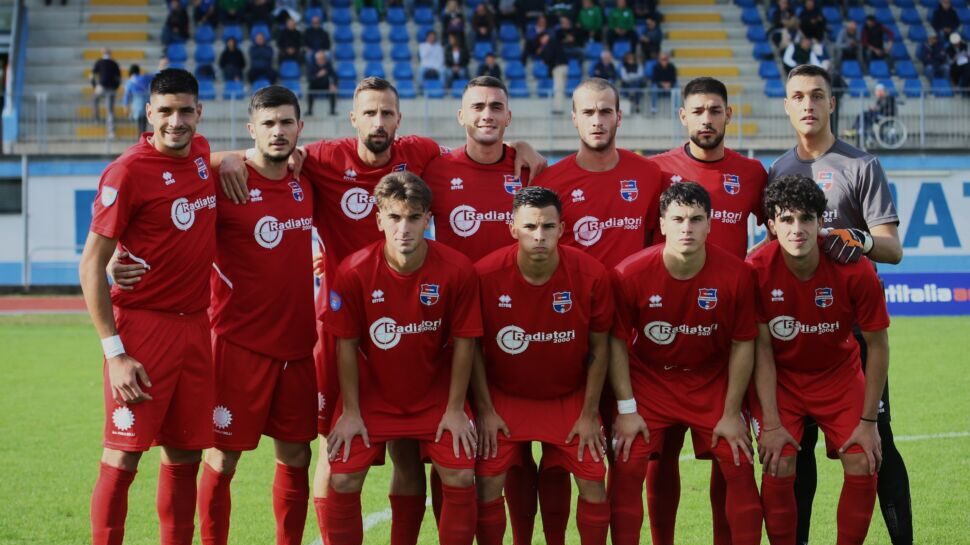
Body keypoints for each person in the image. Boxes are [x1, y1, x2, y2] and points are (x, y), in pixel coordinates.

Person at [215, 76, 546, 545]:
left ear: (399, 121)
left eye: (386, 113)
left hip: (414, 327)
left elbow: (482, 136)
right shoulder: (322, 159)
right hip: (344, 331)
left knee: (410, 454)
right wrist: (226, 156)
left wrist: (522, 145)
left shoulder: (422, 154)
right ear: (353, 119)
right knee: (334, 453)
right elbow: (248, 156)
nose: (378, 121)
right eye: (369, 113)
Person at [769, 63, 910, 545]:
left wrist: (860, 241)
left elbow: (892, 248)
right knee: (796, 447)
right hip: (796, 331)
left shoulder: (861, 165)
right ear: (787, 106)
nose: (808, 104)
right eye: (798, 96)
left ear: (832, 103)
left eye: (817, 95)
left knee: (877, 444)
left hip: (853, 328)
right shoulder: (778, 171)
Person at [80, 68, 214, 545]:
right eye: (165, 112)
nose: (175, 121)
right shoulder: (127, 171)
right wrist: (115, 353)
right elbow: (91, 264)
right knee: (123, 454)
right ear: (148, 113)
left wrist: (236, 161)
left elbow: (211, 166)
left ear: (200, 112)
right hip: (143, 331)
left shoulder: (201, 153)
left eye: (184, 111)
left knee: (184, 455)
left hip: (198, 328)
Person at [324, 172, 482, 545]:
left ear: (428, 219)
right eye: (394, 217)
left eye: (414, 218)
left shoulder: (457, 269)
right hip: (373, 394)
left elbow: (465, 342)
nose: (404, 228)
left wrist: (456, 408)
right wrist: (350, 410)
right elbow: (345, 344)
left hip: (436, 394)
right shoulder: (353, 271)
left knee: (460, 475)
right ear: (379, 219)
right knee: (343, 477)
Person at [647, 76, 769, 545]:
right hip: (663, 337)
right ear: (683, 116)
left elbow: (779, 232)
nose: (706, 119)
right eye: (697, 111)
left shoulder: (753, 173)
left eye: (715, 110)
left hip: (726, 339)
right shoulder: (656, 171)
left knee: (729, 449)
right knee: (659, 453)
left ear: (727, 116)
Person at [609, 181, 764, 545]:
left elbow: (744, 345)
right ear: (661, 224)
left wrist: (730, 413)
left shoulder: (736, 274)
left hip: (710, 381)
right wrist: (627, 410)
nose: (687, 228)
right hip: (649, 380)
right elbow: (615, 344)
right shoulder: (628, 274)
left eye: (696, 219)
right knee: (628, 465)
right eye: (677, 219)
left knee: (739, 462)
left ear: (710, 224)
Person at [195, 85, 315, 545]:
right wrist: (221, 159)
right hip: (237, 344)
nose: (278, 131)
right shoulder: (225, 179)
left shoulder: (308, 178)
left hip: (299, 346)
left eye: (286, 122)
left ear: (300, 128)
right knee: (222, 459)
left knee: (297, 456)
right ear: (252, 130)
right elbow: (166, 168)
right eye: (268, 123)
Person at [749, 174, 891, 545]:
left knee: (863, 458)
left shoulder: (855, 268)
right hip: (780, 379)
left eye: (806, 218)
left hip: (838, 375)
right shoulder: (756, 271)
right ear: (771, 226)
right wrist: (772, 422)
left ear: (820, 221)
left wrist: (869, 420)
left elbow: (877, 345)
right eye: (787, 219)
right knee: (778, 460)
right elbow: (760, 350)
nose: (797, 229)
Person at [472, 186, 612, 545]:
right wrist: (485, 411)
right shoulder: (484, 275)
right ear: (512, 228)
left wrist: (589, 412)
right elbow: (470, 346)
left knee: (594, 477)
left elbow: (600, 346)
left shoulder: (591, 275)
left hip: (568, 397)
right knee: (489, 478)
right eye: (530, 227)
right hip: (505, 396)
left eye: (548, 227)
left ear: (562, 230)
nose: (539, 236)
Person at [533, 78, 663, 270]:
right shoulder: (547, 182)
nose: (597, 121)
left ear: (619, 117)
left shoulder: (648, 174)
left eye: (605, 112)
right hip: (574, 296)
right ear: (574, 118)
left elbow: (656, 242)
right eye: (588, 112)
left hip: (630, 297)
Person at [91, 48, 121, 137]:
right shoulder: (114, 63)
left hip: (101, 87)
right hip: (111, 88)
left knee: (94, 99)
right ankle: (111, 131)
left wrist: (94, 85)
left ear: (102, 53)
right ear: (111, 54)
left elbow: (92, 75)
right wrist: (116, 87)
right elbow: (119, 78)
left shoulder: (99, 62)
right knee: (110, 111)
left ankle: (96, 119)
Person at [537, 32, 569, 114]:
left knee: (558, 89)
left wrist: (542, 55)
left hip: (558, 67)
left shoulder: (550, 44)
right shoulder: (555, 42)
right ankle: (560, 107)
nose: (541, 41)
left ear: (546, 36)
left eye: (541, 39)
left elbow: (549, 57)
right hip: (564, 66)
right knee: (560, 88)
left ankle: (559, 109)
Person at [122, 64, 150, 135]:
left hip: (137, 103)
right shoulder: (144, 78)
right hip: (147, 102)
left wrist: (126, 106)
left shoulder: (130, 81)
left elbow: (127, 95)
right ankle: (143, 137)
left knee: (139, 123)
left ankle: (140, 140)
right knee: (144, 123)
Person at [307, 50, 337, 116]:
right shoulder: (312, 66)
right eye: (319, 59)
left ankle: (332, 110)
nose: (321, 60)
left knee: (332, 91)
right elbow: (309, 78)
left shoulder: (328, 65)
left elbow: (334, 76)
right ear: (316, 59)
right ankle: (309, 110)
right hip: (315, 84)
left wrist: (333, 84)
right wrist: (318, 75)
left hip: (325, 84)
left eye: (322, 58)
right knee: (310, 90)